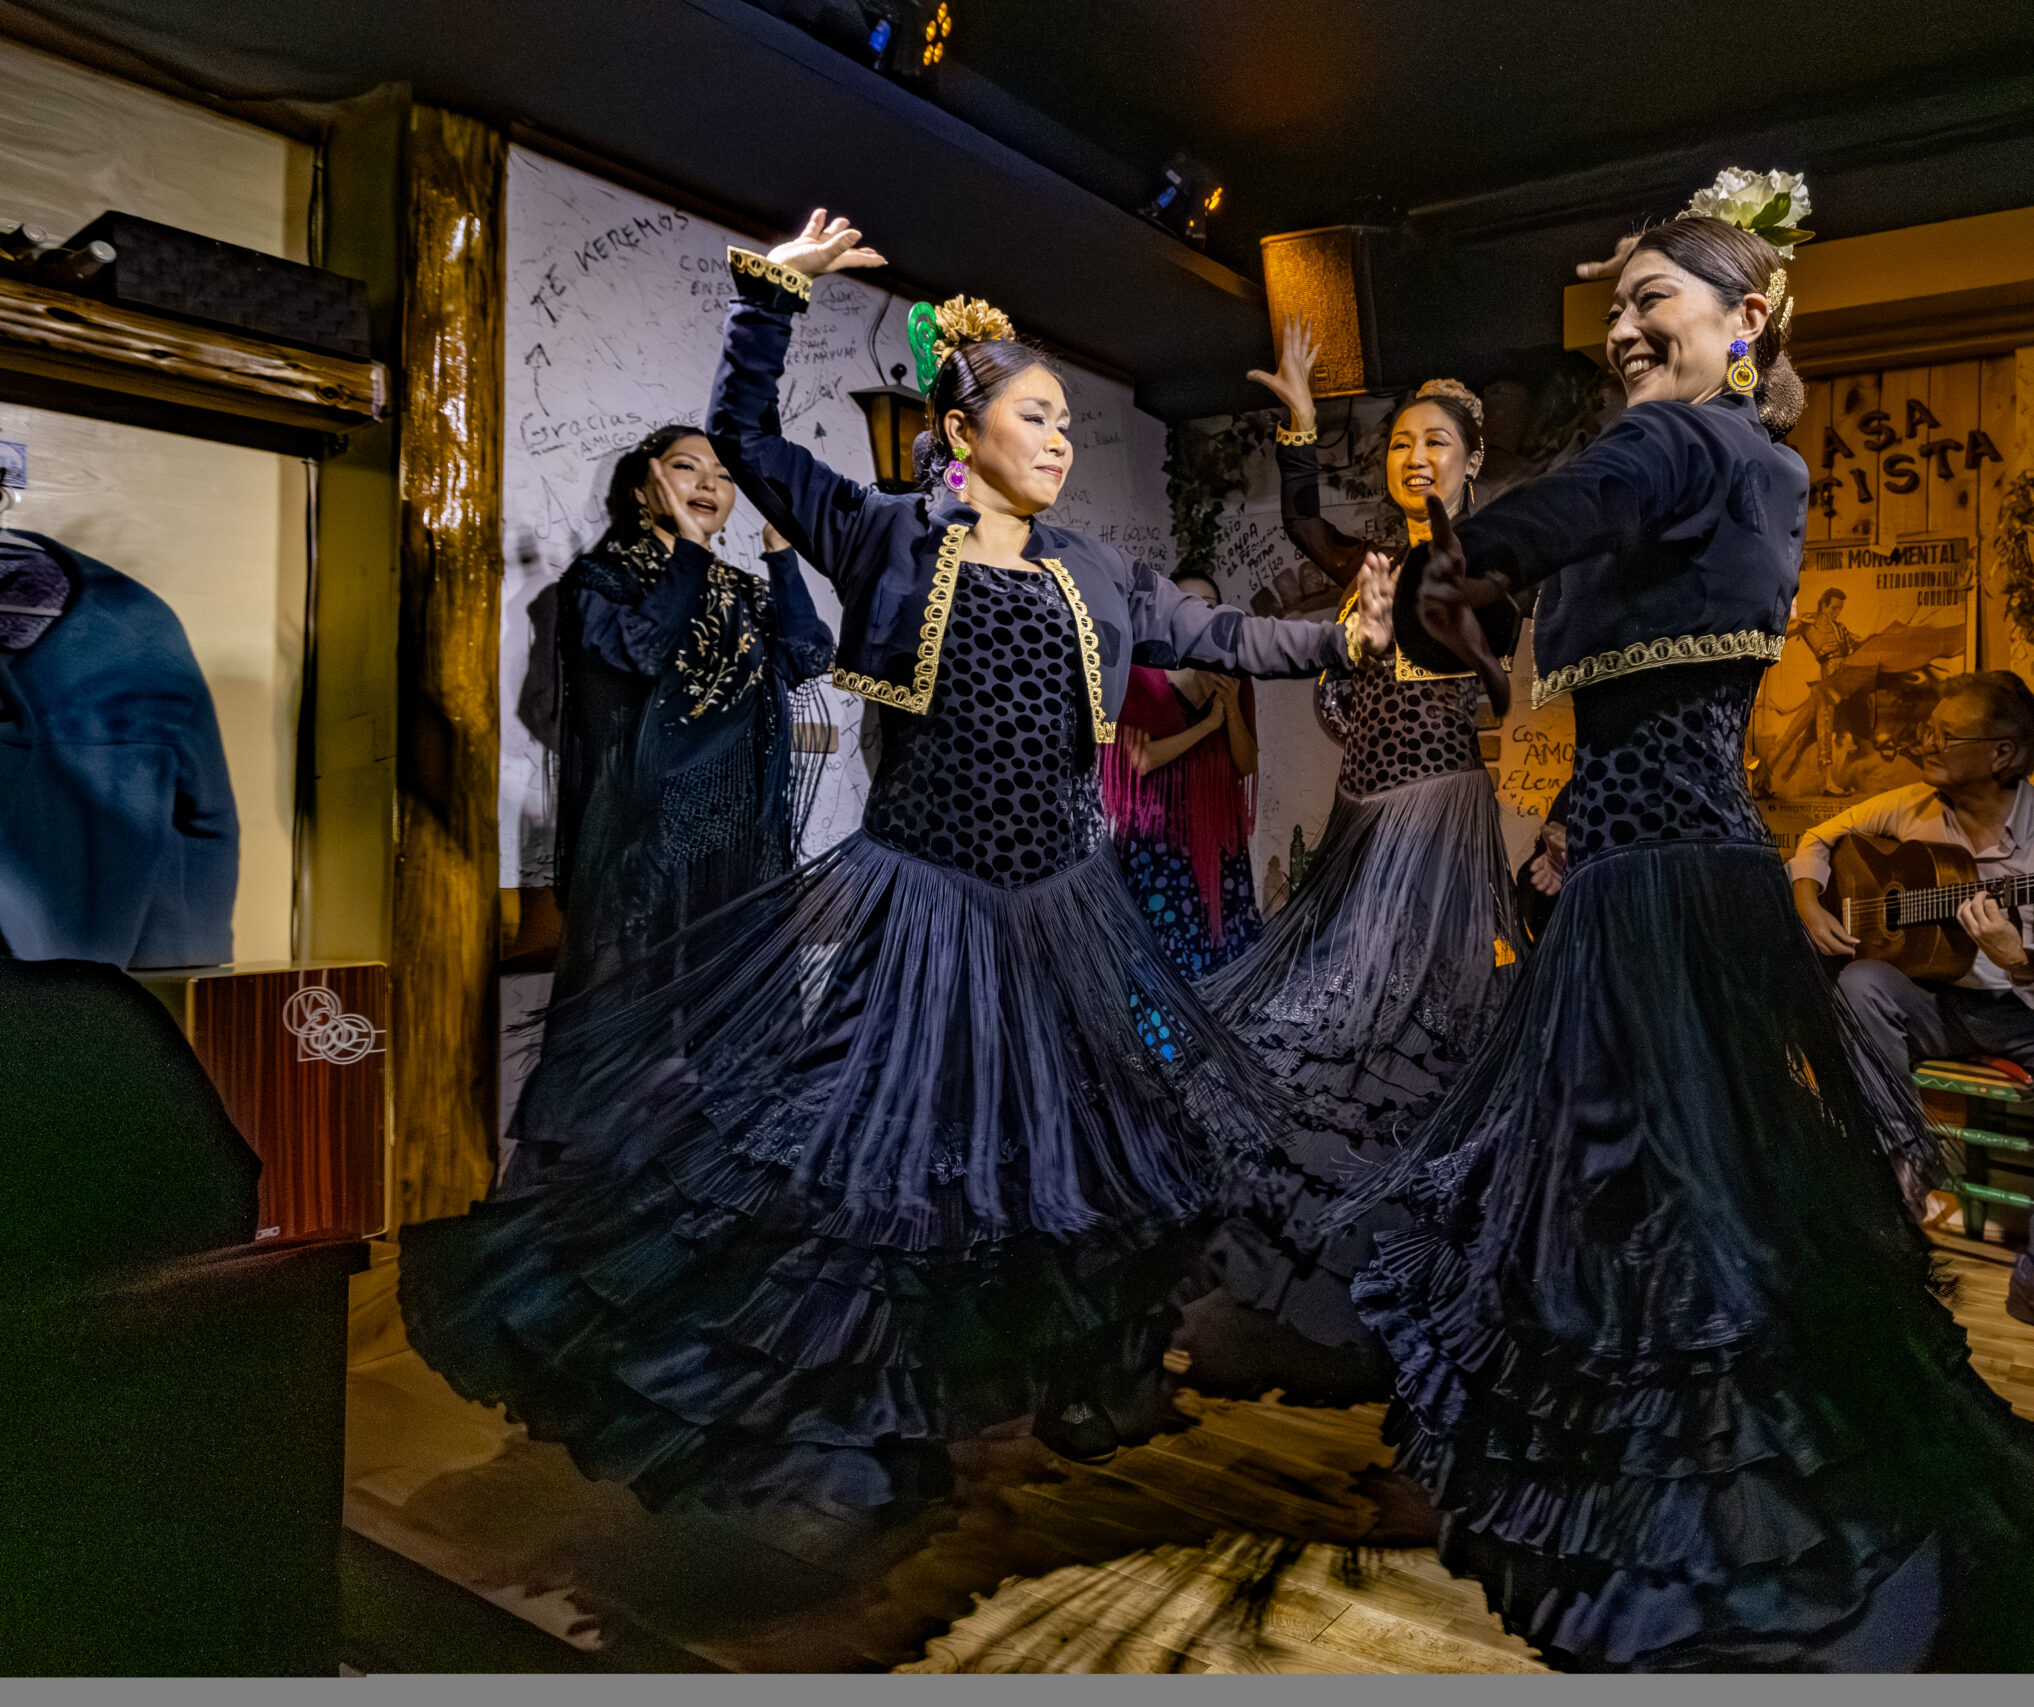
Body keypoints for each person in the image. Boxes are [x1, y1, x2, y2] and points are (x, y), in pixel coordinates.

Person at [401, 211, 1395, 1555]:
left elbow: (1216, 631)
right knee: (893, 1164)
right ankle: (871, 1414)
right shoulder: (881, 537)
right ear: (960, 433)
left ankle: (1078, 1375)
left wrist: (1341, 638)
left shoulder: (1095, 571)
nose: (1060, 440)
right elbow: (746, 441)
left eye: (1064, 422)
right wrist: (771, 297)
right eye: (1037, 418)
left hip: (1061, 912)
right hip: (925, 907)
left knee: (1078, 1158)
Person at [1348, 179, 2034, 1672]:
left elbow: (1569, 508)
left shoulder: (1690, 443)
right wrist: (1479, 596)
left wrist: (1473, 554)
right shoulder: (1721, 468)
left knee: (1657, 1188)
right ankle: (1659, 1490)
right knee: (1643, 1184)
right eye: (1615, 307)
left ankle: (1744, 1529)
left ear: (1747, 320)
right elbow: (1565, 592)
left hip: (1663, 884)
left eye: (1654, 299)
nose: (1623, 327)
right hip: (1644, 863)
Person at [1169, 321, 1530, 1406]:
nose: (1414, 456)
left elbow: (1480, 644)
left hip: (1431, 824)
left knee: (1410, 1038)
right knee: (1327, 1035)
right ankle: (1312, 1275)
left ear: (1472, 459)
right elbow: (1300, 521)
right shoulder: (1370, 565)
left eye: (1436, 442)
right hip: (1358, 823)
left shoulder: (1488, 565)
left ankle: (1407, 1285)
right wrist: (1299, 423)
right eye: (1400, 443)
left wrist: (1427, 568)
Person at [1790, 671, 2034, 1363]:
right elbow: (1818, 838)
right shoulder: (1910, 805)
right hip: (1938, 1002)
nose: (1925, 741)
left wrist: (2017, 958)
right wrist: (1807, 901)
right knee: (1860, 982)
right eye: (1930, 728)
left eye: (1946, 735)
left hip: (2030, 1010)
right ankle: (1906, 1165)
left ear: (2002, 753)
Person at [543, 427, 833, 1006]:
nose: (709, 483)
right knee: (633, 1013)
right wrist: (692, 550)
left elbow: (807, 656)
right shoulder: (605, 580)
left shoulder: (745, 592)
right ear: (642, 490)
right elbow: (645, 652)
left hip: (739, 837)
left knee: (733, 1015)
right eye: (686, 467)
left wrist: (781, 555)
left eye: (724, 475)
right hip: (644, 833)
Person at [1101, 577, 1265, 981]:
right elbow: (1137, 760)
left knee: (1225, 951)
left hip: (1217, 839)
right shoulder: (1140, 671)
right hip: (1157, 840)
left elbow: (1246, 763)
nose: (1198, 610)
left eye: (1209, 603)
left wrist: (1229, 707)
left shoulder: (1234, 676)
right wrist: (1207, 726)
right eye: (1186, 600)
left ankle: (1221, 1022)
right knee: (1159, 956)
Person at [1758, 585, 1859, 797]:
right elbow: (1782, 634)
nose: (1837, 612)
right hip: (1825, 685)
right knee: (1824, 731)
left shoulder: (1840, 627)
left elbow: (1855, 643)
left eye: (1840, 608)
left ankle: (1759, 781)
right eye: (1833, 608)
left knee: (1791, 733)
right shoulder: (1810, 621)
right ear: (1823, 605)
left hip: (1834, 683)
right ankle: (1828, 783)